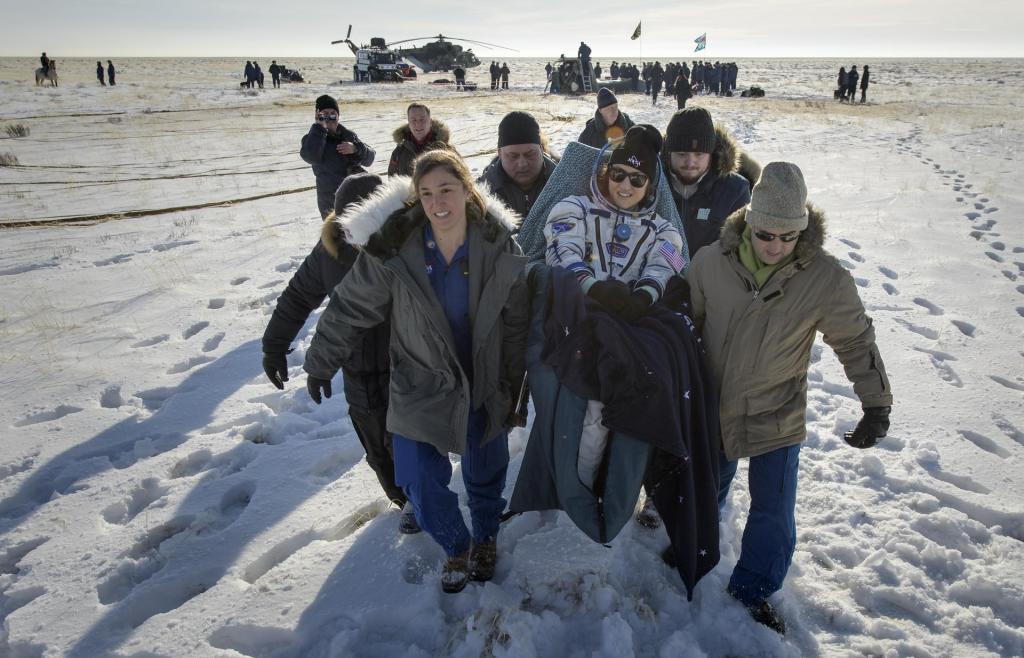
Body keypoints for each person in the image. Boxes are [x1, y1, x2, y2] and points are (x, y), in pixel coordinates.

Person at [303, 150, 529, 594]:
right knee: (418, 478)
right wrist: (321, 360)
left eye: (446, 189)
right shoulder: (396, 247)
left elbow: (518, 319)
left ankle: (485, 535)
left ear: (467, 190)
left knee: (486, 470)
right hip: (419, 378)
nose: (437, 202)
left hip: (482, 376)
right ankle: (456, 545)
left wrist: (515, 383)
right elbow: (352, 304)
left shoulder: (497, 245)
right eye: (426, 193)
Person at [686, 162, 892, 633]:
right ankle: (692, 549)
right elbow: (687, 324)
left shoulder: (825, 279)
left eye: (787, 237)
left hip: (776, 411)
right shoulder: (711, 262)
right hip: (715, 407)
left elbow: (855, 340)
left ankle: (753, 589)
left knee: (774, 512)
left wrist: (876, 402)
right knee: (706, 491)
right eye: (765, 235)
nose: (775, 246)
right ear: (748, 223)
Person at [261, 171, 420, 534]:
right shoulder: (329, 251)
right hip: (357, 367)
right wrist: (274, 346)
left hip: (406, 361)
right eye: (350, 223)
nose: (358, 232)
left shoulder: (407, 242)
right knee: (375, 446)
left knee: (408, 440)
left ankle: (418, 500)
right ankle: (399, 497)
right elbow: (299, 296)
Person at [543, 125, 686, 488]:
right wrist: (593, 287)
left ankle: (623, 485)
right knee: (592, 408)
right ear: (605, 172)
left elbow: (665, 265)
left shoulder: (663, 230)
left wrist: (643, 296)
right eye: (618, 174)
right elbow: (561, 249)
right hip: (580, 318)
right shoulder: (574, 208)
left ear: (650, 186)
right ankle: (580, 487)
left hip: (634, 325)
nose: (625, 185)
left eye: (637, 179)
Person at [661, 107, 755, 258]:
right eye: (681, 154)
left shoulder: (735, 190)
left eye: (699, 154)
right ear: (668, 153)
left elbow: (740, 250)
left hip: (710, 271)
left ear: (711, 154)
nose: (690, 162)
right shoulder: (647, 183)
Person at [300, 94, 375, 219]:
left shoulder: (349, 135)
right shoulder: (313, 139)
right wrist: (319, 127)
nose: (330, 118)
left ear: (338, 116)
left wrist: (355, 149)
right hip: (332, 204)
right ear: (318, 116)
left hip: (358, 199)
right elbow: (310, 157)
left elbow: (370, 158)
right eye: (325, 115)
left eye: (333, 114)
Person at [477, 111, 558, 219]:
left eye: (530, 154)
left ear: (541, 150)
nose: (522, 164)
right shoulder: (480, 197)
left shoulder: (566, 185)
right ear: (500, 153)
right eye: (513, 156)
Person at [387, 103, 456, 177]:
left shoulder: (446, 150)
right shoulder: (399, 152)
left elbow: (460, 178)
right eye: (413, 120)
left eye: (422, 119)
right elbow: (392, 179)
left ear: (430, 122)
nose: (418, 124)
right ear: (408, 123)